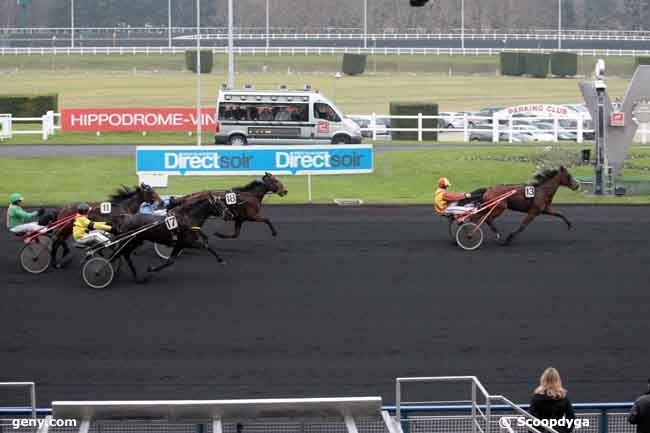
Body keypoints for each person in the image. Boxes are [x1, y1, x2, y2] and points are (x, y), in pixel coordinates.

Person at [529, 367, 576, 433]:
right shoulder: (563, 397)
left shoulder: (537, 398)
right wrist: (565, 430)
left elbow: (531, 419)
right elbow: (571, 418)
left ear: (543, 379)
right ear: (558, 380)